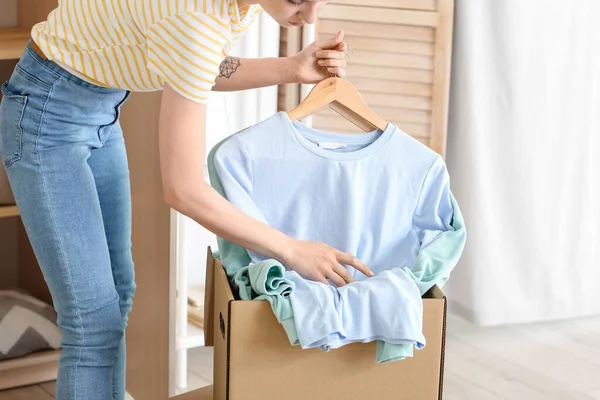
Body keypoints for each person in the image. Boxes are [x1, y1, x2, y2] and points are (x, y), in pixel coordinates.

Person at [0, 0, 373, 399]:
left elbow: (195, 62)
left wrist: (291, 68)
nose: (310, 17)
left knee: (119, 293)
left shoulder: (233, 8)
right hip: (48, 117)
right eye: (298, 0)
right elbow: (183, 189)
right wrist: (291, 250)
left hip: (100, 104)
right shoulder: (193, 20)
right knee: (91, 321)